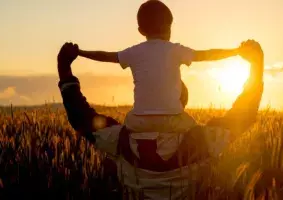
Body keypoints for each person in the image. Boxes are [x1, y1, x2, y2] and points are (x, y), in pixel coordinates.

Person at [56, 38, 264, 199]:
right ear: (182, 100)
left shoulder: (121, 140)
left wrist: (64, 70)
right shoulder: (202, 140)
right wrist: (256, 67)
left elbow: (81, 119)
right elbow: (243, 115)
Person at [76, 0, 243, 135]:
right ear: (169, 26)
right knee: (197, 134)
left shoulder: (134, 52)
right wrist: (236, 51)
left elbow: (106, 56)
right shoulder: (175, 49)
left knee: (124, 136)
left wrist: (80, 52)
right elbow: (206, 55)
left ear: (141, 30)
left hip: (139, 120)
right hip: (172, 118)